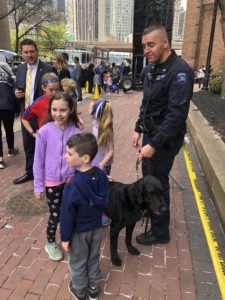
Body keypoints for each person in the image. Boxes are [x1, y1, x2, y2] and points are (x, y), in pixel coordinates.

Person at [132, 25, 194, 246]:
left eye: (151, 45)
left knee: (157, 182)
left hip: (165, 139)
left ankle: (160, 232)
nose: (146, 50)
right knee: (148, 177)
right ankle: (151, 209)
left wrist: (154, 144)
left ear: (165, 43)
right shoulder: (150, 69)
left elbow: (176, 116)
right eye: (144, 46)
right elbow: (147, 103)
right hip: (150, 134)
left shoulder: (180, 72)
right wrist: (138, 128)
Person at [33, 92, 83, 261]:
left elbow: (86, 156)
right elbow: (38, 161)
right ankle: (50, 242)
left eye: (62, 110)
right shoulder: (44, 132)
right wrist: (38, 186)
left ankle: (68, 238)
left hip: (71, 181)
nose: (58, 114)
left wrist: (99, 173)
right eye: (54, 109)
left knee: (71, 211)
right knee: (56, 214)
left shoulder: (77, 132)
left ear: (71, 110)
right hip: (52, 182)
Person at [60, 133, 109, 300]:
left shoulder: (72, 185)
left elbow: (67, 214)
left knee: (78, 261)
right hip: (96, 227)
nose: (65, 156)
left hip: (79, 232)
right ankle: (94, 287)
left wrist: (65, 238)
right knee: (93, 257)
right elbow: (104, 200)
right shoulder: (101, 175)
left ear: (85, 158)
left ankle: (80, 291)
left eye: (69, 153)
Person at [13, 39, 53, 184]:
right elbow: (18, 87)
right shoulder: (21, 69)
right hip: (27, 116)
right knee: (28, 146)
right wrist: (15, 93)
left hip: (44, 116)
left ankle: (48, 175)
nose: (29, 55)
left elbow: (55, 93)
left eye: (32, 51)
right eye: (26, 52)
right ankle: (30, 172)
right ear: (22, 54)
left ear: (37, 51)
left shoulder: (48, 69)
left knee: (46, 147)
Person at [89, 99, 114, 226]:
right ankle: (97, 211)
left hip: (103, 163)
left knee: (102, 189)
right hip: (95, 161)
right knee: (95, 187)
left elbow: (111, 150)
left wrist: (102, 164)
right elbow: (90, 112)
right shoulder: (95, 121)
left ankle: (104, 213)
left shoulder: (107, 130)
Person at [0, 66, 19, 169]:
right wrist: (17, 110)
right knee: (9, 130)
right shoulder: (9, 78)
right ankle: (11, 150)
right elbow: (15, 94)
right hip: (8, 106)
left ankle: (0, 160)